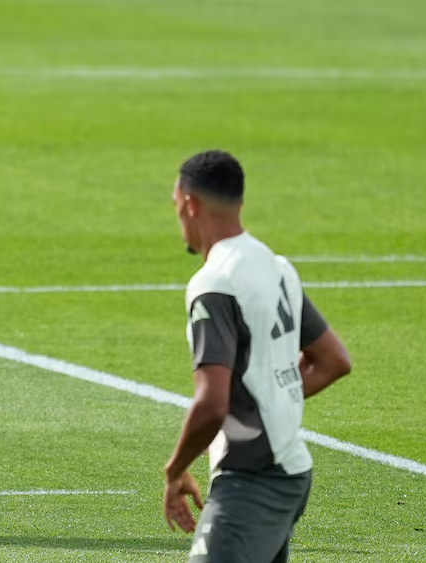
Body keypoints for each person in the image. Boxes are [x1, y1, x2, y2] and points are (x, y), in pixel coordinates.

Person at [162, 150, 352, 562]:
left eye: (176, 206)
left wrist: (175, 471)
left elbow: (212, 404)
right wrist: (275, 398)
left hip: (252, 481)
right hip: (289, 471)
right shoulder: (277, 266)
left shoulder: (214, 284)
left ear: (190, 204)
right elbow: (334, 360)